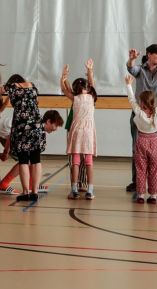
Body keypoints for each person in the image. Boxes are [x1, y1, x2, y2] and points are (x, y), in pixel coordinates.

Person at [126, 44, 157, 193]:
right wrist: (131, 59)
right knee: (136, 147)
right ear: (149, 55)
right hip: (140, 114)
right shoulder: (140, 70)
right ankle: (136, 182)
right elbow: (131, 68)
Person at [125, 71, 157, 204]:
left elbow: (131, 100)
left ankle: (141, 195)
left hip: (141, 141)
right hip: (155, 142)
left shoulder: (138, 113)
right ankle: (154, 195)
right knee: (155, 169)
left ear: (142, 102)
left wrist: (128, 85)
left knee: (141, 169)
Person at [61, 59, 98, 200]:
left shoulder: (74, 98)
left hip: (76, 131)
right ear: (87, 88)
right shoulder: (91, 97)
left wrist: (63, 77)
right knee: (88, 161)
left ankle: (74, 189)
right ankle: (90, 190)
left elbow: (65, 89)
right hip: (88, 132)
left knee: (75, 161)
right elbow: (92, 83)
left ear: (75, 89)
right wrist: (89, 69)